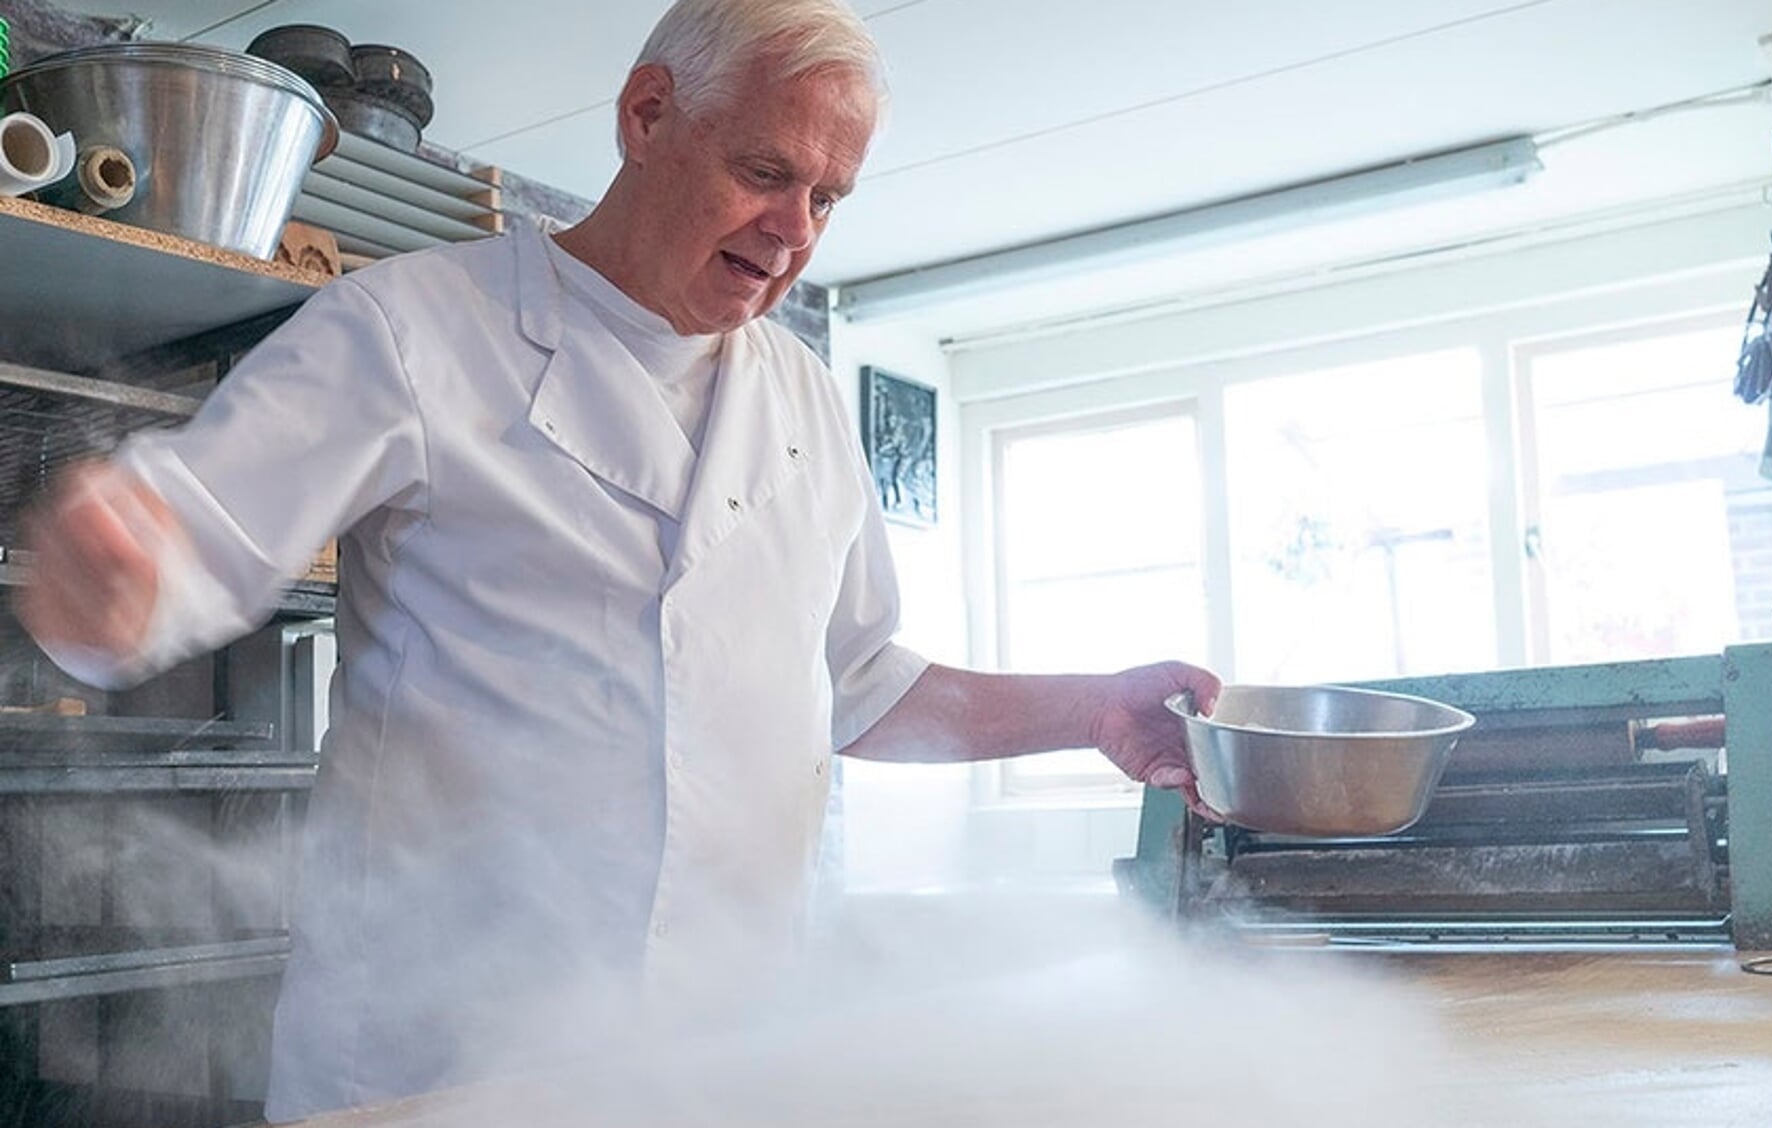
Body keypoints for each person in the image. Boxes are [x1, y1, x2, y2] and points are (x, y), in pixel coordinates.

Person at [15, 0, 1219, 1119]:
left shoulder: (803, 397)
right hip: (438, 1057)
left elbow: (857, 688)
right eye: (764, 172)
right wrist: (112, 579)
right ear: (646, 116)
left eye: (828, 198)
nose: (794, 230)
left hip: (719, 1051)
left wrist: (1094, 710)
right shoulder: (410, 326)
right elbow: (189, 544)